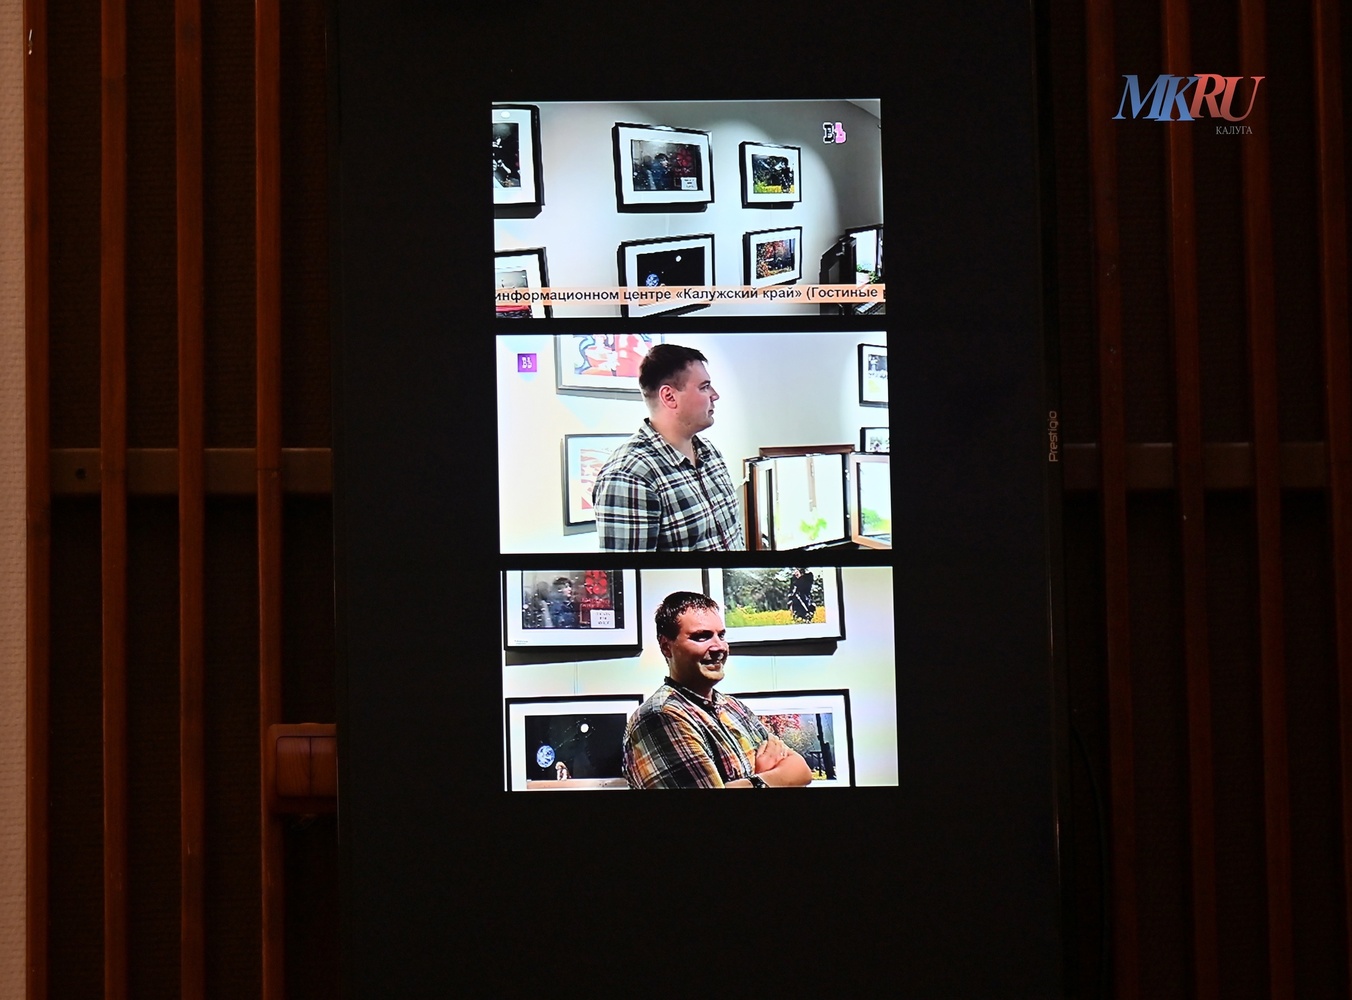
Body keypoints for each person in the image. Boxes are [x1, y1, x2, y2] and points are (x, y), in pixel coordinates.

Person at [622, 592, 813, 789]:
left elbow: (802, 771)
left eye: (721, 635)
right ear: (666, 647)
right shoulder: (661, 715)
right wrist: (764, 779)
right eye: (701, 636)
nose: (719, 647)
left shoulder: (732, 706)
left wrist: (752, 782)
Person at [591, 344, 743, 551]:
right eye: (704, 387)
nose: (715, 395)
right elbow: (630, 570)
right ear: (669, 397)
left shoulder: (710, 453)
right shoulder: (630, 476)